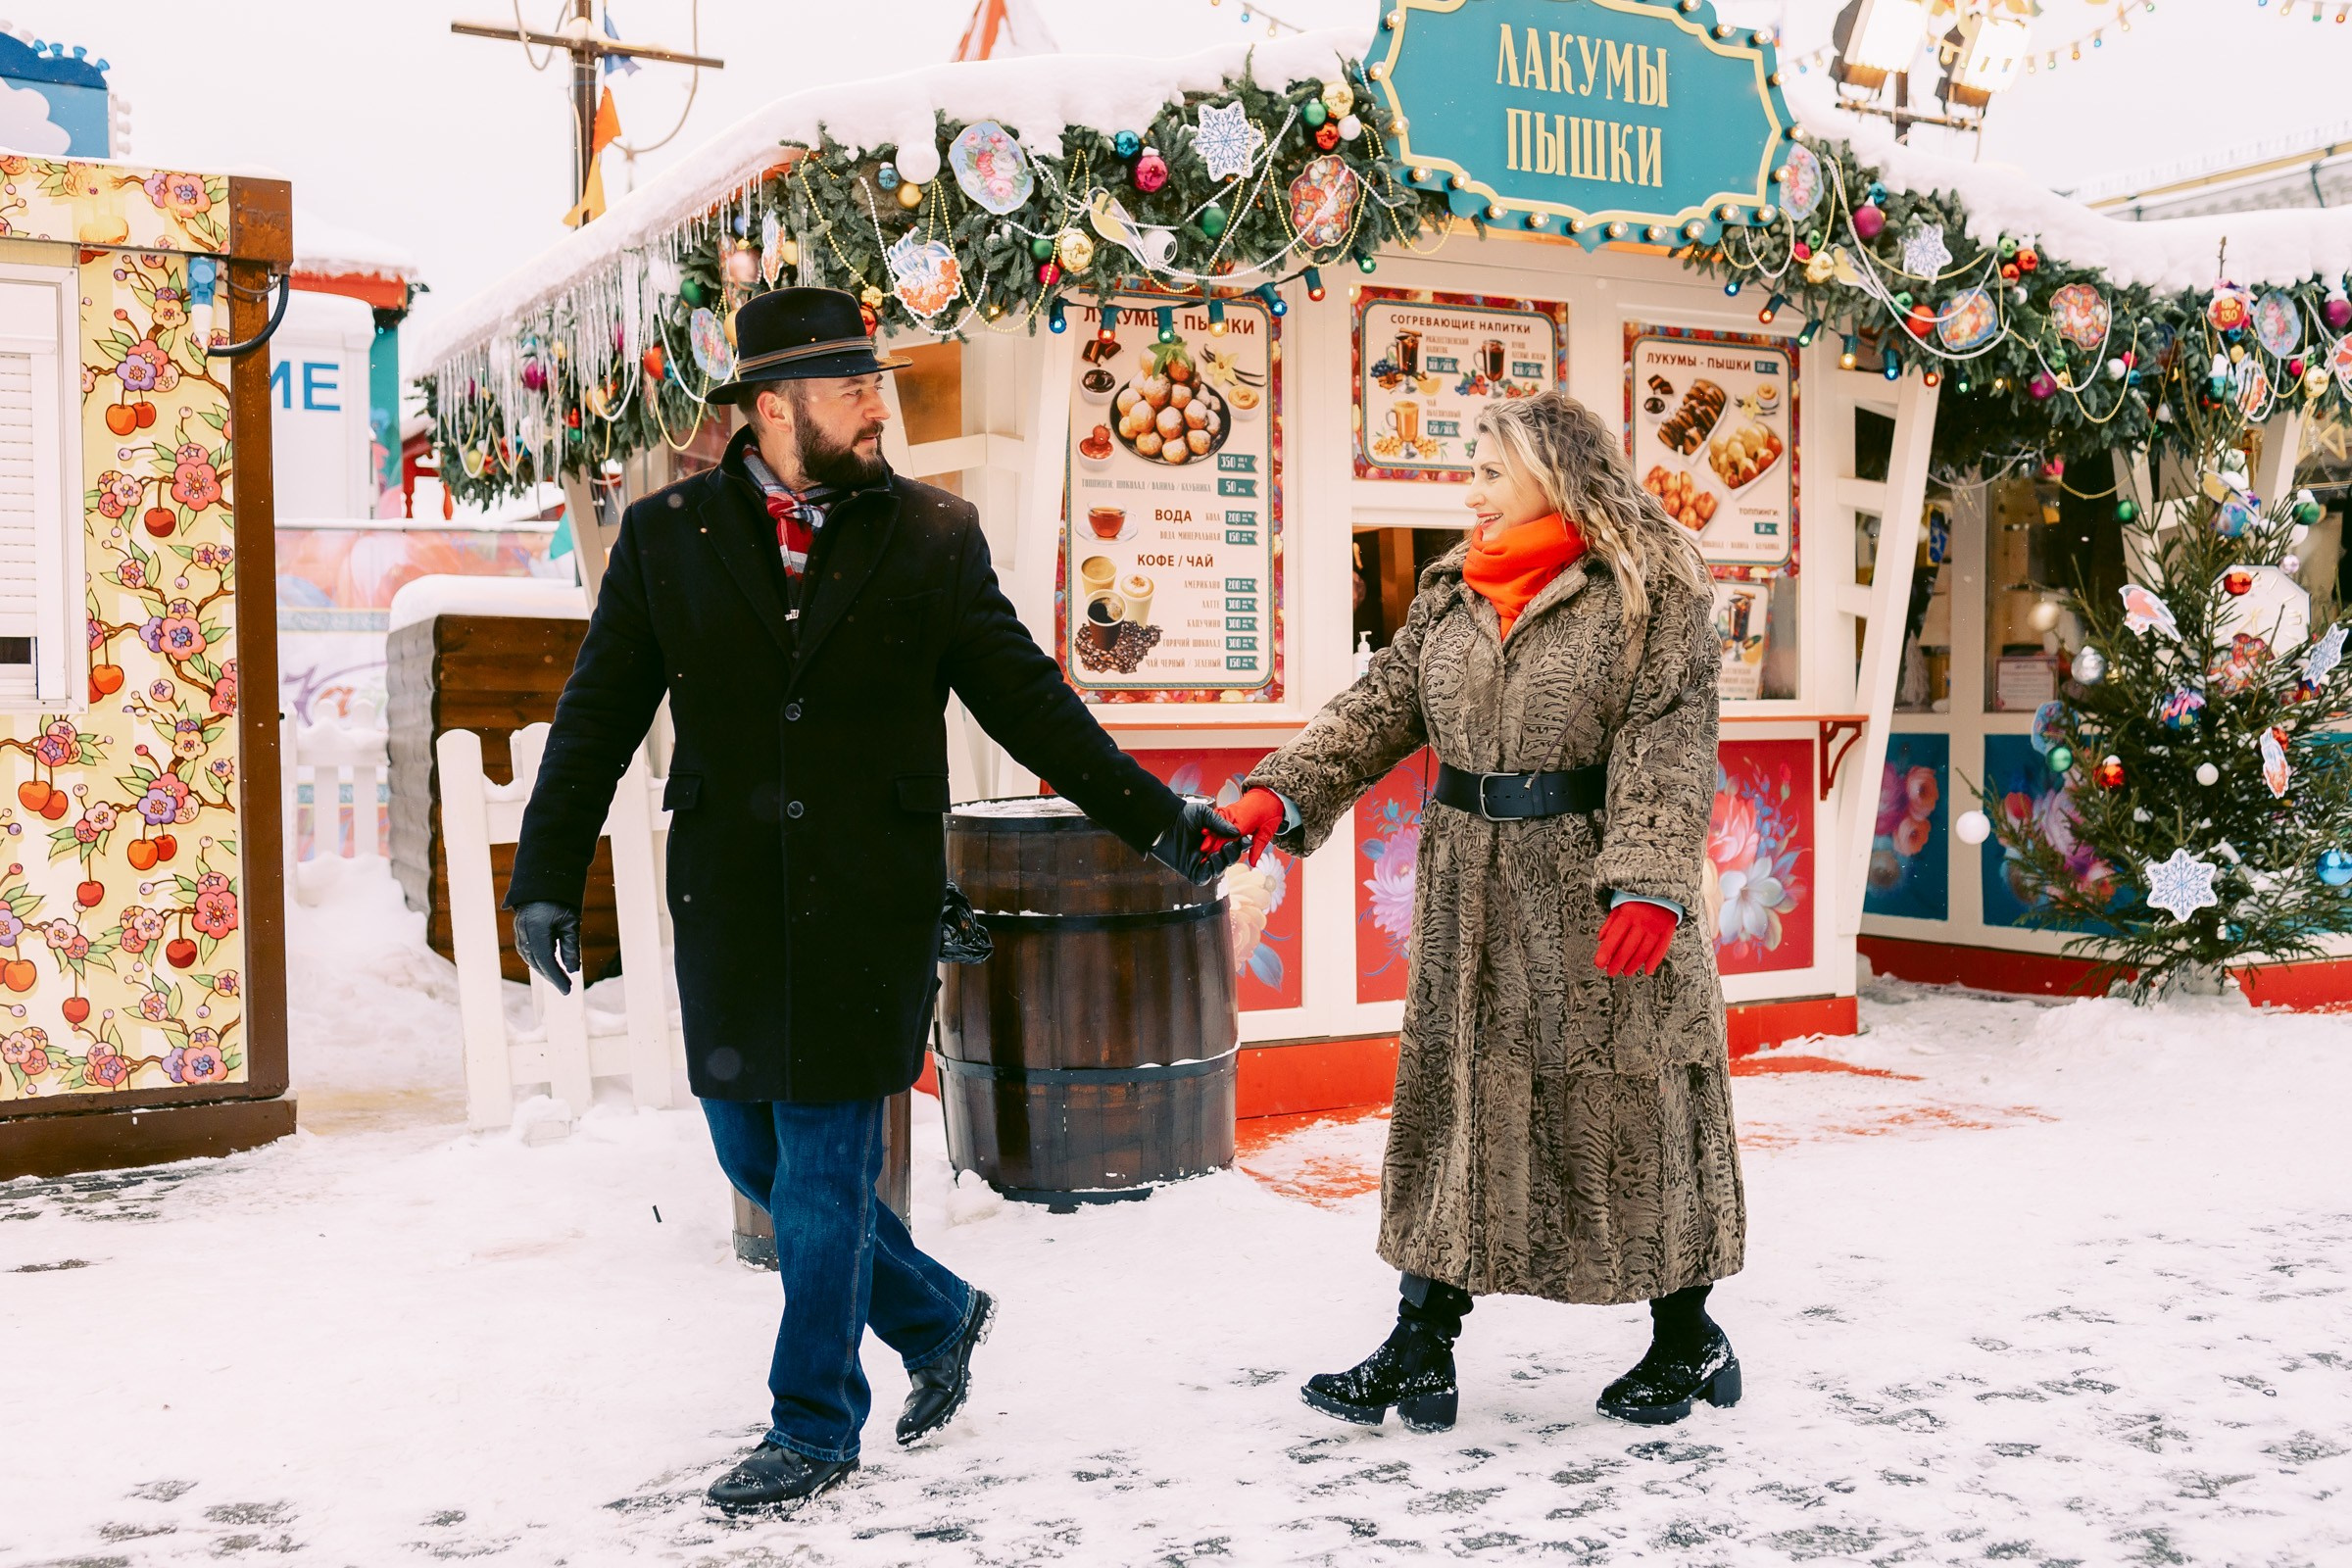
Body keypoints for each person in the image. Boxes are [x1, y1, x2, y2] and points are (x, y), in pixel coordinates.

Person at [504, 287, 1238, 1515]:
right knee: (758, 1155)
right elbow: (596, 717)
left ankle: (814, 1424)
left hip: (868, 899)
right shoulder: (666, 536)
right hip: (732, 894)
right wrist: (542, 877)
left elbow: (1031, 703)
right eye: (852, 389)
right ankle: (937, 1313)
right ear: (773, 406)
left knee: (829, 1168)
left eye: (876, 383)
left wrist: (1161, 819)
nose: (876, 407)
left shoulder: (933, 537)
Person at [1218, 388, 1744, 1432]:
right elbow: (1380, 707)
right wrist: (1280, 793)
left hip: (1596, 894)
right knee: (1457, 1103)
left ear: (1550, 472)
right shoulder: (1456, 587)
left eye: (1489, 471)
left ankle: (1689, 1338)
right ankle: (1423, 1343)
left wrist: (1648, 880)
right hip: (1471, 891)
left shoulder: (1651, 586)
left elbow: (1669, 745)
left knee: (1630, 1110)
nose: (1471, 489)